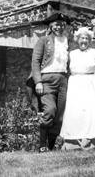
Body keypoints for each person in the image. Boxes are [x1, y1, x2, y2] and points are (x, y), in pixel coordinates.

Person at [27, 12, 70, 152]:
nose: (59, 27)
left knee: (59, 116)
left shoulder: (68, 41)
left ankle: (50, 148)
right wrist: (38, 81)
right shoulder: (43, 40)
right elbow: (35, 61)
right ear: (51, 26)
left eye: (62, 25)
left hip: (63, 81)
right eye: (57, 24)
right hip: (47, 81)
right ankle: (42, 146)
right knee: (50, 110)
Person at [60, 26, 95, 150]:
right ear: (77, 39)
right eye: (82, 38)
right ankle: (73, 143)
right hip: (76, 85)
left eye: (86, 38)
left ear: (90, 40)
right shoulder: (72, 54)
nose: (84, 41)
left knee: (91, 112)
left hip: (91, 84)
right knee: (76, 112)